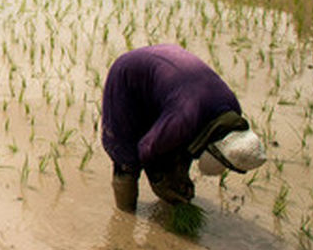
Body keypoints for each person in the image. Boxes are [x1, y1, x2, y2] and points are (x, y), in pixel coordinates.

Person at [101, 44, 266, 211]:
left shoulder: (231, 113)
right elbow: (147, 148)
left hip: (169, 77)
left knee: (172, 145)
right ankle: (125, 216)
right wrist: (159, 181)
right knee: (126, 159)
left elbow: (189, 143)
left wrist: (178, 175)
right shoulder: (185, 117)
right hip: (128, 76)